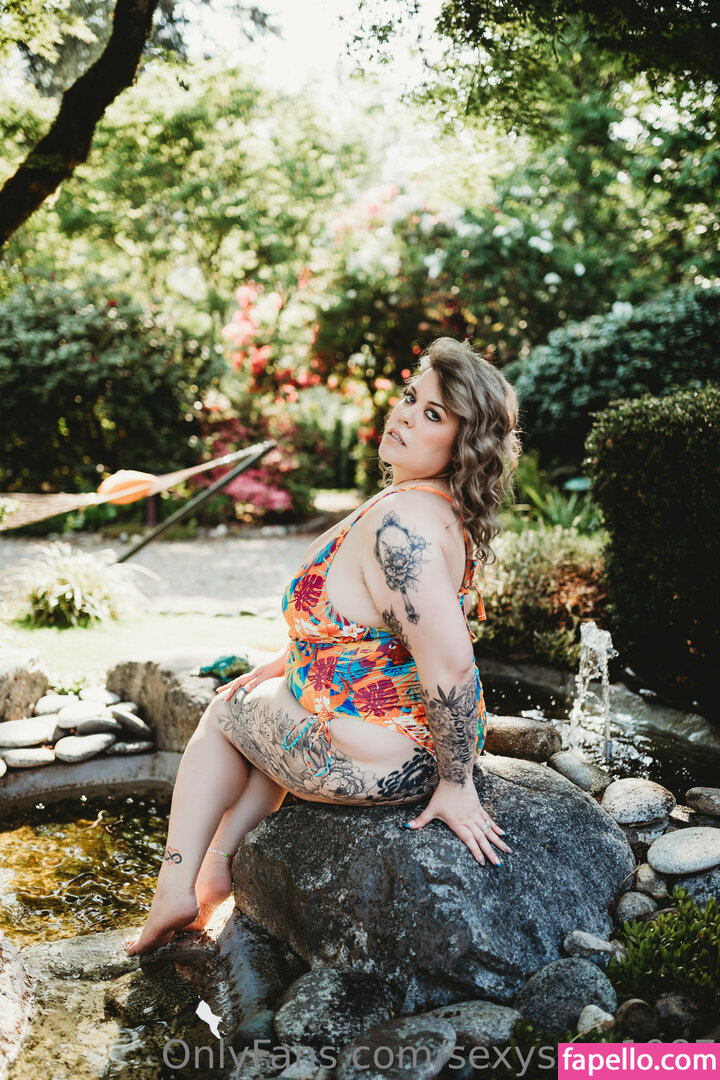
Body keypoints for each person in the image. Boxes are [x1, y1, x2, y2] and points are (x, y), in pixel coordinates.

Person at [125, 336, 520, 955]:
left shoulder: (403, 526)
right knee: (270, 698)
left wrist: (457, 783)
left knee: (225, 712)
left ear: (464, 444)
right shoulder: (425, 505)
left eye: (432, 414)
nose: (406, 416)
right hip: (388, 734)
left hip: (383, 755)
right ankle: (217, 870)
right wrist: (292, 660)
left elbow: (451, 663)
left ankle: (175, 887)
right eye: (411, 398)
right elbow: (376, 632)